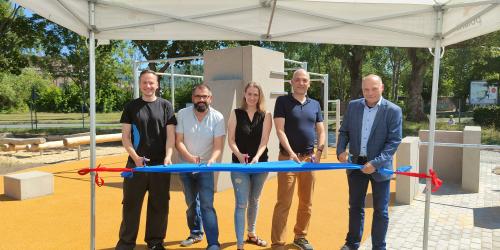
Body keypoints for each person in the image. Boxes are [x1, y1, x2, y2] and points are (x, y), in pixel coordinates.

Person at [337, 74, 402, 250]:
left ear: (382, 88)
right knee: (355, 207)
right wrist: (341, 150)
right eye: (366, 89)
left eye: (374, 89)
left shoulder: (393, 110)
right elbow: (344, 131)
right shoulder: (353, 106)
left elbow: (393, 141)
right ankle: (352, 244)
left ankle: (379, 247)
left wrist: (375, 163)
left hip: (379, 168)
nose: (370, 93)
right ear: (362, 90)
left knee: (381, 211)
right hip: (356, 165)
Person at [116, 69, 177, 250]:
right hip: (136, 166)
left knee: (159, 206)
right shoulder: (131, 107)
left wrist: (168, 157)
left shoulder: (166, 106)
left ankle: (155, 242)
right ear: (140, 84)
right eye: (144, 82)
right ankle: (126, 243)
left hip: (160, 166)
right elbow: (126, 138)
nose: (148, 86)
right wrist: (135, 158)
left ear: (157, 85)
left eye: (151, 83)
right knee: (130, 206)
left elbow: (171, 137)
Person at [271, 69, 326, 250]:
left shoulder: (315, 104)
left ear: (309, 83)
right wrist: (291, 153)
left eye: (305, 80)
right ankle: (278, 243)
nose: (301, 83)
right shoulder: (282, 101)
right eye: (298, 80)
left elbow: (321, 130)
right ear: (291, 82)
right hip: (288, 159)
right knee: (283, 202)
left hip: (309, 160)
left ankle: (300, 237)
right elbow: (279, 130)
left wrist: (319, 152)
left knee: (306, 202)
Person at [175, 83, 224, 250]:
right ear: (192, 98)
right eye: (198, 96)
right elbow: (178, 141)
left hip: (206, 168)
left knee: (207, 205)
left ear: (210, 98)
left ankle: (213, 243)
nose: (201, 99)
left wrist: (211, 160)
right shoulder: (182, 114)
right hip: (185, 166)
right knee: (190, 204)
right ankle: (195, 233)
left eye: (205, 96)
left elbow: (218, 147)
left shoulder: (218, 117)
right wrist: (189, 157)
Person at [227, 82, 272, 250]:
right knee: (241, 203)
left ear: (259, 96)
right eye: (250, 94)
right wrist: (239, 156)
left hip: (260, 165)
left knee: (254, 200)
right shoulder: (235, 113)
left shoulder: (266, 114)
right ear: (244, 95)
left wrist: (257, 158)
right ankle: (240, 245)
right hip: (239, 166)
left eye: (256, 94)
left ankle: (251, 234)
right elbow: (231, 139)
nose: (252, 97)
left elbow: (264, 142)